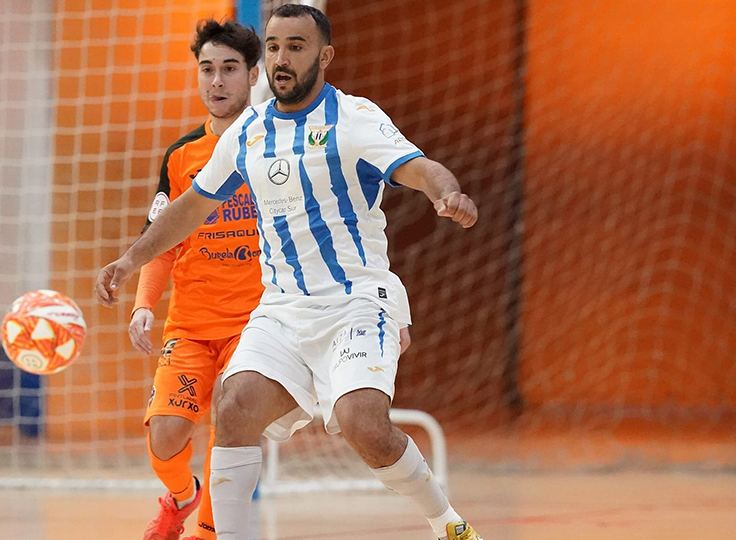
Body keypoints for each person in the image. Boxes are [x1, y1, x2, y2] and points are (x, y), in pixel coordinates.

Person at [96, 4, 479, 540]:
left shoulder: (355, 118)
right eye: (273, 46)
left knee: (364, 426)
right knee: (233, 409)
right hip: (280, 310)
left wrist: (446, 193)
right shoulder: (249, 129)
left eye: (295, 47)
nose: (281, 58)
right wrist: (131, 258)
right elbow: (192, 206)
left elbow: (419, 168)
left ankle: (448, 525)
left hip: (355, 301)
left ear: (324, 56)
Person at [129, 19, 264, 540]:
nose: (216, 81)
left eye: (229, 69)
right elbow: (161, 240)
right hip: (190, 325)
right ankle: (183, 497)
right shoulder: (181, 156)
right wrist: (144, 304)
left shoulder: (272, 147)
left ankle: (210, 532)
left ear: (253, 75)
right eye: (207, 69)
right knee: (165, 436)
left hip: (255, 326)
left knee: (231, 428)